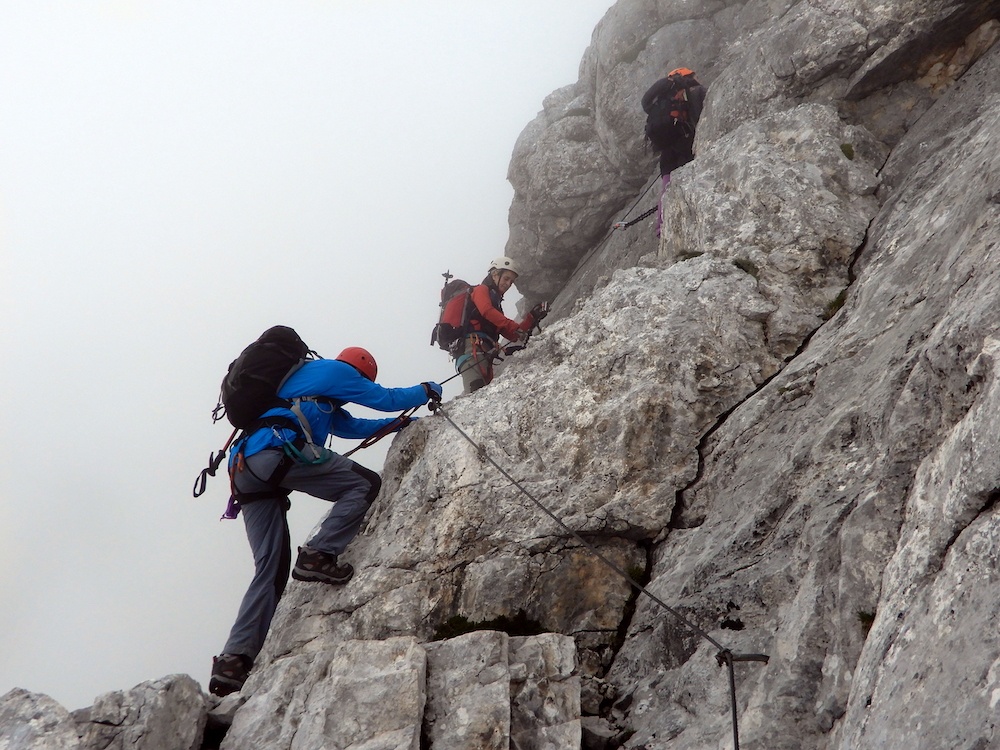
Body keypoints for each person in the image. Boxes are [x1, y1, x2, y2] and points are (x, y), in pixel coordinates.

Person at [209, 347, 442, 697]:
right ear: (360, 371)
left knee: (269, 570)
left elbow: (353, 425)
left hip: (245, 468)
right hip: (275, 452)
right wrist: (425, 391)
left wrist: (399, 424)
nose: (358, 386)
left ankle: (233, 661)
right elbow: (384, 398)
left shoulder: (312, 391)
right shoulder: (336, 371)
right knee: (364, 484)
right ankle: (318, 553)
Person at [455, 256, 548, 394]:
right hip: (472, 350)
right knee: (476, 392)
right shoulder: (481, 290)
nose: (509, 284)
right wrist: (514, 327)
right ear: (494, 274)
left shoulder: (495, 304)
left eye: (511, 281)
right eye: (506, 278)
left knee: (484, 393)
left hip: (483, 351)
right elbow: (487, 311)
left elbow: (511, 334)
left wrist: (531, 318)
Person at [641, 67, 707, 234]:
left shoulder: (660, 102)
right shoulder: (694, 92)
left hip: (667, 151)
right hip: (685, 144)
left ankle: (661, 226)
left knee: (667, 184)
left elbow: (645, 103)